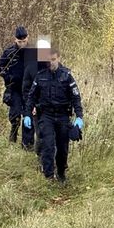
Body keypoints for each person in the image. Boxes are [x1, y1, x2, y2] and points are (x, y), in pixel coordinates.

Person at [23, 48, 83, 182]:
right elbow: (31, 96)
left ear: (59, 58)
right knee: (48, 145)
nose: (51, 63)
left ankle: (61, 173)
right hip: (46, 116)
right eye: (48, 60)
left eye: (53, 59)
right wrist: (27, 114)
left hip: (62, 116)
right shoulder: (40, 76)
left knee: (62, 147)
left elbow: (75, 97)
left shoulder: (67, 76)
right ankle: (49, 176)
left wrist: (79, 116)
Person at [0, 26, 28, 144]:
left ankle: (26, 143)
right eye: (20, 42)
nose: (22, 44)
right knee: (15, 116)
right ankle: (12, 139)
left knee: (28, 115)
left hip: (29, 89)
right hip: (14, 88)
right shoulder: (9, 52)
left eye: (24, 41)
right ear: (15, 40)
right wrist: (8, 77)